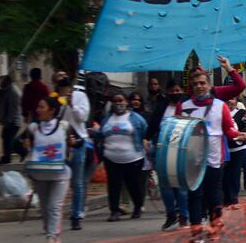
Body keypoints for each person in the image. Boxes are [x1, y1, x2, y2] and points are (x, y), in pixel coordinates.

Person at [176, 70, 246, 238]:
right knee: (195, 194)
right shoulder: (184, 106)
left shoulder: (219, 105)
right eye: (195, 84)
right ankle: (196, 228)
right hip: (192, 160)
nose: (199, 87)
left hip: (214, 158)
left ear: (209, 85)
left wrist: (238, 135)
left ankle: (214, 225)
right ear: (191, 87)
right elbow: (176, 130)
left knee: (213, 194)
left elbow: (228, 128)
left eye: (202, 83)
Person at [23, 96, 74, 243]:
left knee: (54, 207)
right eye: (38, 107)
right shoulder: (33, 128)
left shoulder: (64, 126)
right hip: (40, 174)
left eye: (42, 107)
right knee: (45, 209)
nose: (38, 110)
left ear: (52, 111)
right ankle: (49, 230)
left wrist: (72, 144)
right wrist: (26, 148)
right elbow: (17, 145)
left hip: (60, 174)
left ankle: (53, 238)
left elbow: (74, 144)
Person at [97, 91, 149, 221]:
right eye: (115, 101)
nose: (118, 103)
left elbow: (145, 132)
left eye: (121, 100)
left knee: (133, 184)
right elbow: (101, 134)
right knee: (114, 185)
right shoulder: (107, 119)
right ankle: (114, 210)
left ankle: (137, 206)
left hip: (133, 158)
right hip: (111, 158)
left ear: (126, 102)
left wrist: (147, 143)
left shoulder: (136, 118)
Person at [51, 76, 92, 232]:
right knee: (58, 181)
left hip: (78, 144)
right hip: (60, 144)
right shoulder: (55, 99)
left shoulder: (80, 97)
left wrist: (72, 105)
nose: (63, 92)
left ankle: (77, 215)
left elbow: (83, 117)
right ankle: (55, 217)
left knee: (77, 181)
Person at [147, 78, 190, 229]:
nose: (174, 93)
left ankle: (183, 215)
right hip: (163, 150)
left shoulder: (187, 105)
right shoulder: (161, 107)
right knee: (165, 184)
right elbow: (152, 126)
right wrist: (146, 140)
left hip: (181, 151)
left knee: (181, 184)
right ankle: (171, 214)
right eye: (171, 91)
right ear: (167, 92)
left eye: (177, 91)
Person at [222, 96, 246, 206]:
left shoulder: (242, 112)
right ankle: (225, 199)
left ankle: (233, 198)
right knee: (225, 175)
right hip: (224, 148)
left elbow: (245, 124)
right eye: (228, 98)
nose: (230, 101)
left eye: (233, 98)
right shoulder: (220, 112)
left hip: (238, 148)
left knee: (234, 174)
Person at [0, 75, 23, 165]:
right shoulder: (6, 90)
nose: (0, 84)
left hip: (13, 121)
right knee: (6, 137)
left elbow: (13, 109)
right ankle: (8, 156)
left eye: (1, 82)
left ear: (7, 82)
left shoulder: (13, 92)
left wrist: (8, 121)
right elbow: (0, 102)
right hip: (8, 120)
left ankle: (19, 152)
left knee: (9, 139)